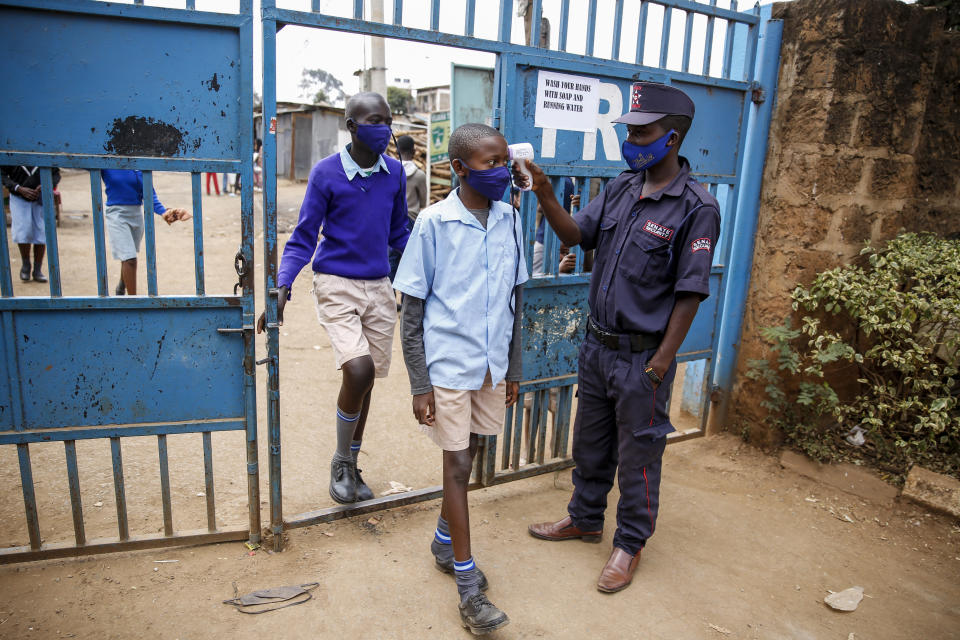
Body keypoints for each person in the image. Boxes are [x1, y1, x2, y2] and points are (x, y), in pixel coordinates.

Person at [517, 81, 721, 594]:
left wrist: (661, 361)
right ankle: (584, 518)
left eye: (642, 131)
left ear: (671, 137)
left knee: (639, 458)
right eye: (629, 129)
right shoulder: (622, 187)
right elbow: (573, 235)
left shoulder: (697, 207)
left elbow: (690, 292)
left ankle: (629, 543)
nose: (631, 139)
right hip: (598, 348)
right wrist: (543, 191)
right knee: (590, 445)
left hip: (642, 357)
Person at [394, 123, 524, 634]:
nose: (501, 170)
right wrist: (419, 383)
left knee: (475, 449)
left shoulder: (511, 219)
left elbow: (515, 299)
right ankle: (468, 590)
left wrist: (512, 368)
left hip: (490, 364)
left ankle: (444, 543)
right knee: (458, 463)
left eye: (503, 160)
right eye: (490, 163)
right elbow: (411, 312)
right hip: (447, 363)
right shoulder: (433, 223)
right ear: (461, 168)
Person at [256, 92, 409, 505]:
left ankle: (352, 462)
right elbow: (304, 235)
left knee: (368, 378)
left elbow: (400, 235)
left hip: (379, 286)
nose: (385, 128)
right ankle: (341, 461)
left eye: (388, 120)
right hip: (335, 282)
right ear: (352, 127)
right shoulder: (325, 173)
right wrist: (283, 285)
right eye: (376, 120)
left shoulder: (394, 173)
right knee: (358, 371)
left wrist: (428, 272)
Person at [100, 169, 191, 296]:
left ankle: (121, 285)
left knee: (127, 254)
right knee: (130, 258)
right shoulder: (107, 159)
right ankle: (133, 305)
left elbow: (148, 193)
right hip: (116, 214)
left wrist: (164, 212)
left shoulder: (138, 163)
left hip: (136, 214)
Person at [1, 165, 59, 283]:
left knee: (42, 232)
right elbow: (2, 175)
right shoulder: (14, 153)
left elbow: (56, 174)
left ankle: (38, 269)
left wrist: (46, 185)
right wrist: (18, 188)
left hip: (41, 197)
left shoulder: (43, 151)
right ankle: (26, 265)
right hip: (19, 197)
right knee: (23, 231)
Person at [388, 134, 427, 283]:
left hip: (392, 220)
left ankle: (389, 297)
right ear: (414, 151)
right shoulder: (419, 175)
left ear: (397, 150)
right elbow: (423, 202)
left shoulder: (391, 173)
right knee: (410, 261)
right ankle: (405, 301)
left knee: (391, 260)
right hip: (411, 220)